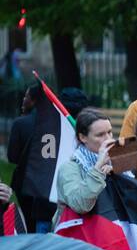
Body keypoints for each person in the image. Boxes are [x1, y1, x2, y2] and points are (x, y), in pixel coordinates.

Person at [7, 84, 56, 232]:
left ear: (34, 101)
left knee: (28, 224)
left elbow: (12, 157)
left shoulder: (20, 123)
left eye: (26, 96)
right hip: (49, 184)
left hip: (25, 183)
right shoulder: (55, 123)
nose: (23, 100)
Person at [54, 109, 115, 224]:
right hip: (78, 236)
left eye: (109, 132)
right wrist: (98, 169)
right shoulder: (69, 168)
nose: (108, 139)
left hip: (109, 233)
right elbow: (80, 205)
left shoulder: (114, 161)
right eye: (100, 135)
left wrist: (117, 173)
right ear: (82, 137)